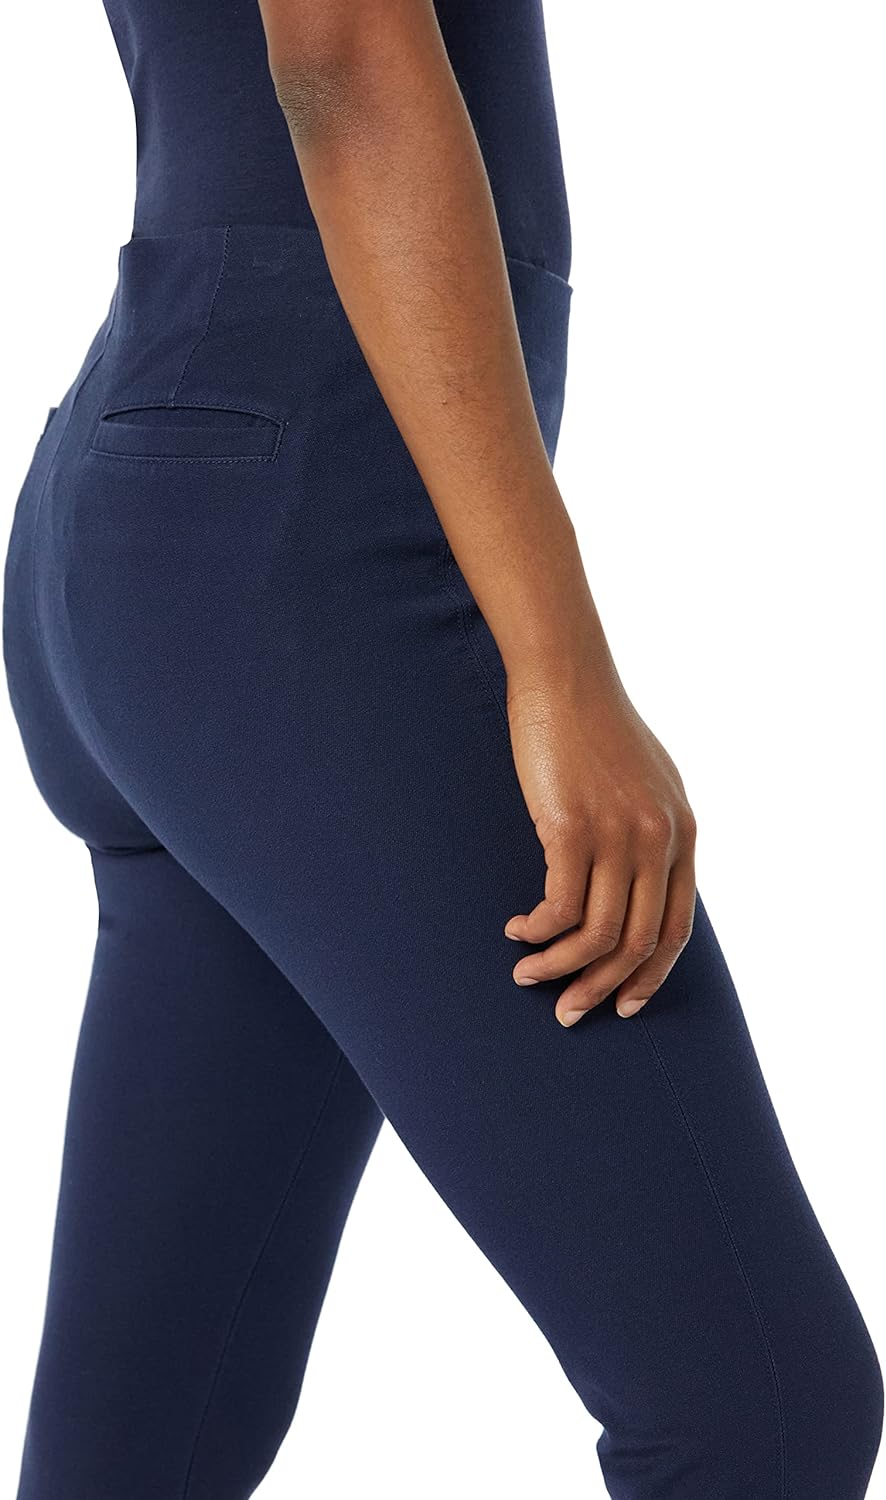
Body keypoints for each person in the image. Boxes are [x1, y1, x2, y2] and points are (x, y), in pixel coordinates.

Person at [2, 1, 882, 1496]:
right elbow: (342, 57)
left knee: (143, 1447)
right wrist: (556, 665)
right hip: (304, 541)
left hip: (167, 514)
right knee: (758, 1405)